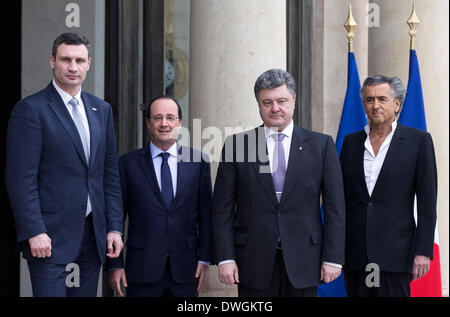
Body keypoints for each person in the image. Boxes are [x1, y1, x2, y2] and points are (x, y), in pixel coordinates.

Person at [5, 32, 123, 297]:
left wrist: (114, 226)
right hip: (49, 237)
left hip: (92, 237)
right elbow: (20, 178)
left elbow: (109, 175)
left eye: (80, 60)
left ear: (89, 63)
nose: (73, 67)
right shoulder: (31, 110)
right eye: (66, 59)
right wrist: (34, 229)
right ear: (52, 61)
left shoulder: (101, 110)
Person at [212, 69, 345, 297]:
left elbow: (335, 208)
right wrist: (225, 257)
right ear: (259, 105)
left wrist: (333, 258)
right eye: (267, 102)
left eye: (281, 101)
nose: (275, 108)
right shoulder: (238, 145)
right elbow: (222, 209)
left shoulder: (321, 145)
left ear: (293, 101)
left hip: (305, 260)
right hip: (252, 261)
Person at [340, 75, 437, 297]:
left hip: (396, 254)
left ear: (397, 104)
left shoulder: (418, 141)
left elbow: (427, 201)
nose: (375, 106)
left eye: (382, 99)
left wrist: (423, 251)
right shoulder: (350, 143)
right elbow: (341, 200)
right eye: (369, 99)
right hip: (356, 254)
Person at [108, 95, 213, 297]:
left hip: (186, 269)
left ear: (180, 123)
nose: (164, 123)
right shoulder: (128, 164)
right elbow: (115, 216)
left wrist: (205, 258)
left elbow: (206, 215)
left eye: (170, 117)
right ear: (148, 122)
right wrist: (115, 264)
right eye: (157, 118)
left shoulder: (198, 162)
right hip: (140, 271)